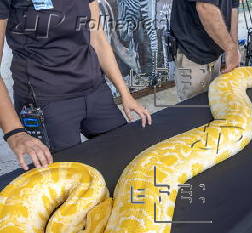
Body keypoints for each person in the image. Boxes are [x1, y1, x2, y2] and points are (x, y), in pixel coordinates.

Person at [0, 0, 152, 170]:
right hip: (47, 100)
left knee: (127, 158)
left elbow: (98, 39)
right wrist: (14, 132)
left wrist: (125, 93)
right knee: (67, 176)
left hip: (95, 90)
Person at [170, 0, 241, 102]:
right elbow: (205, 7)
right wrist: (230, 48)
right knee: (194, 109)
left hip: (215, 53)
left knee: (215, 100)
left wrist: (234, 48)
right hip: (192, 54)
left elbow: (233, 7)